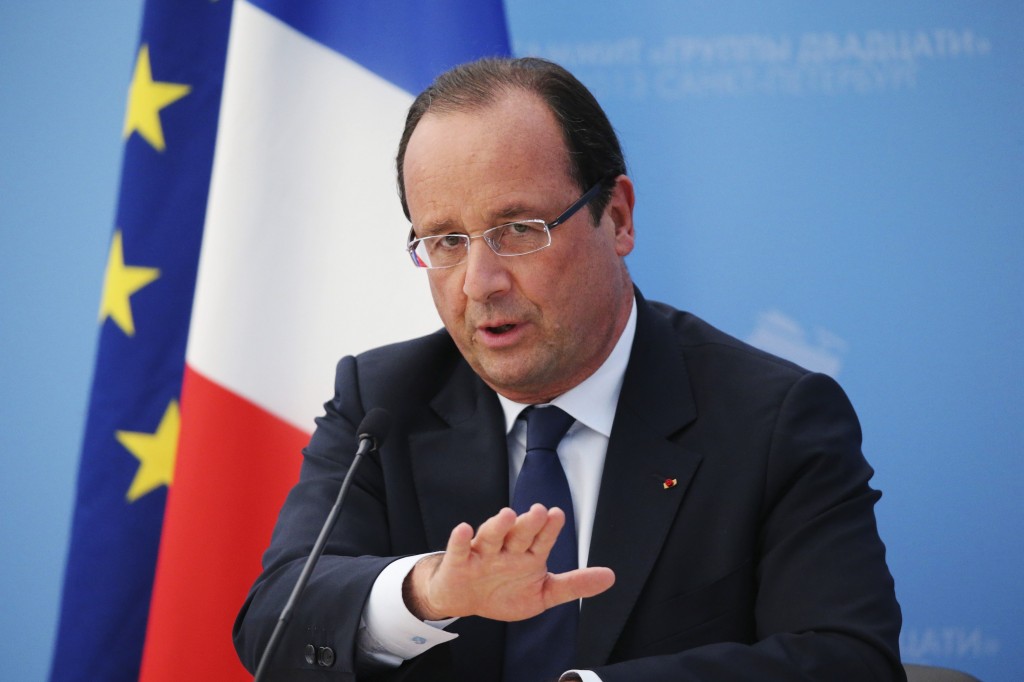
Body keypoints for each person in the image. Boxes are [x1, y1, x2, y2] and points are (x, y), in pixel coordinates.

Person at [233, 57, 904, 681]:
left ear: (615, 218)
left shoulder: (773, 420)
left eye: (519, 229)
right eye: (445, 242)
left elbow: (846, 659)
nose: (479, 283)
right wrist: (427, 592)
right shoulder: (382, 402)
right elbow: (273, 623)